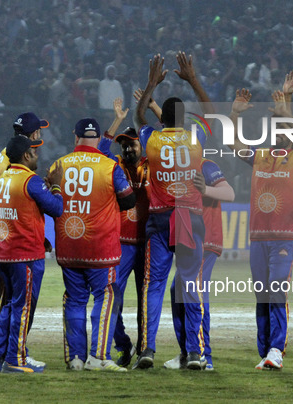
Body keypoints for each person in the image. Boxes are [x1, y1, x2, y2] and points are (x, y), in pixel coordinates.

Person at [224, 70, 293, 370]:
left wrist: (288, 112)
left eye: (283, 129)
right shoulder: (260, 155)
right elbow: (235, 146)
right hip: (258, 237)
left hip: (285, 237)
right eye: (275, 128)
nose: (278, 133)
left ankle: (277, 349)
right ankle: (265, 349)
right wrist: (234, 116)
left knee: (277, 289)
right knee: (262, 294)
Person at [132, 52, 212, 370]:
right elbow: (211, 113)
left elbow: (140, 115)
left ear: (161, 119)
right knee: (191, 283)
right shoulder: (195, 137)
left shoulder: (151, 138)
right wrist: (193, 79)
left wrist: (152, 83)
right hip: (189, 216)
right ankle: (195, 352)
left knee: (153, 284)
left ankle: (148, 349)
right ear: (184, 118)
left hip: (160, 218)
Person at [53, 117, 135, 372]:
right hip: (101, 246)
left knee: (75, 299)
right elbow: (129, 200)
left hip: (69, 244)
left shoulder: (59, 165)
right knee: (106, 296)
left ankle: (75, 358)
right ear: (99, 139)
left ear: (75, 137)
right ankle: (98, 356)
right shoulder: (110, 166)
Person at [0, 135, 63, 373]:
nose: (37, 156)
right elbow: (57, 208)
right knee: (23, 307)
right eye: (34, 153)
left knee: (11, 305)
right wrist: (56, 185)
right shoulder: (31, 180)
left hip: (5, 252)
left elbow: (18, 214)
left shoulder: (3, 178)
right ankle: (15, 360)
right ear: (26, 155)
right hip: (25, 256)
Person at [164, 159, 235, 371]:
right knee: (178, 290)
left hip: (205, 240)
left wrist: (205, 189)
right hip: (189, 240)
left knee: (195, 292)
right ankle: (188, 352)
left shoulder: (206, 165)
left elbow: (229, 193)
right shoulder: (176, 168)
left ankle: (204, 355)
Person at [0, 112, 49, 323]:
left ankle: (7, 349)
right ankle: (7, 351)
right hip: (9, 237)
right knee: (14, 298)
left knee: (9, 296)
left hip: (1, 232)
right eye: (39, 130)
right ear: (34, 132)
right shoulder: (15, 161)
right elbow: (13, 202)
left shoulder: (5, 154)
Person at [97, 98, 151, 368]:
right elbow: (99, 152)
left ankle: (144, 350)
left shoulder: (151, 165)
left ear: (142, 146)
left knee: (145, 300)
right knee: (112, 297)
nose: (127, 147)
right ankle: (123, 345)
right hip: (121, 245)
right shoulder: (114, 165)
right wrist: (116, 120)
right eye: (124, 143)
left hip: (149, 245)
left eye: (132, 143)